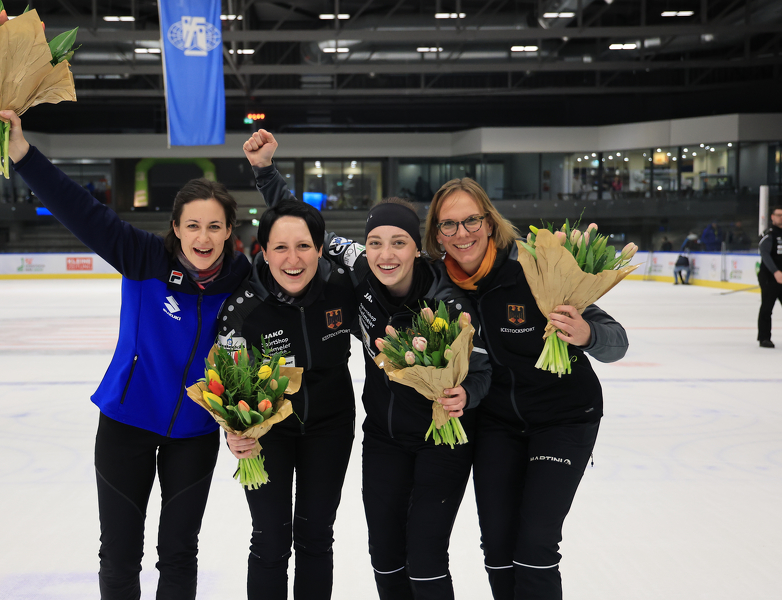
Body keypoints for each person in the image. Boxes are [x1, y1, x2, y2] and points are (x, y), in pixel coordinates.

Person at [0, 106, 251, 600]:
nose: (203, 238)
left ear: (230, 230)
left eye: (215, 227)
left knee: (179, 554)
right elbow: (79, 208)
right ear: (176, 227)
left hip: (195, 431)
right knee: (120, 554)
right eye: (193, 226)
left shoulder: (243, 282)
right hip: (126, 425)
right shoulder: (142, 257)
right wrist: (21, 151)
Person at [244, 129, 492, 600]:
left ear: (417, 247)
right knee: (385, 557)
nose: (385, 254)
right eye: (375, 242)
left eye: (398, 242)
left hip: (442, 439)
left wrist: (467, 393)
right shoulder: (360, 269)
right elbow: (298, 226)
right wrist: (264, 172)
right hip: (383, 439)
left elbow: (480, 367)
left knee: (424, 558)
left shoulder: (446, 297)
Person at [423, 178, 629, 600]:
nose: (461, 233)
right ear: (436, 233)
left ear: (489, 221)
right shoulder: (441, 288)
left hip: (564, 419)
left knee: (535, 544)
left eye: (470, 220)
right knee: (498, 547)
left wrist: (586, 332)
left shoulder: (536, 269)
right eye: (449, 225)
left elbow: (617, 341)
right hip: (498, 423)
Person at [218, 199, 359, 600]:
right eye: (280, 247)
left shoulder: (342, 290)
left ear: (319, 248)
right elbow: (225, 382)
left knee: (316, 536)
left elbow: (385, 329)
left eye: (303, 246)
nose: (292, 259)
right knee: (270, 540)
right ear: (262, 250)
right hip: (267, 434)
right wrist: (232, 430)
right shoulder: (243, 309)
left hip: (330, 427)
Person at [757, 206, 782, 348]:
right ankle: (764, 337)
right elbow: (765, 254)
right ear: (772, 217)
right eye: (778, 215)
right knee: (767, 307)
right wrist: (775, 272)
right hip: (770, 277)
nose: (781, 217)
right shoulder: (769, 234)